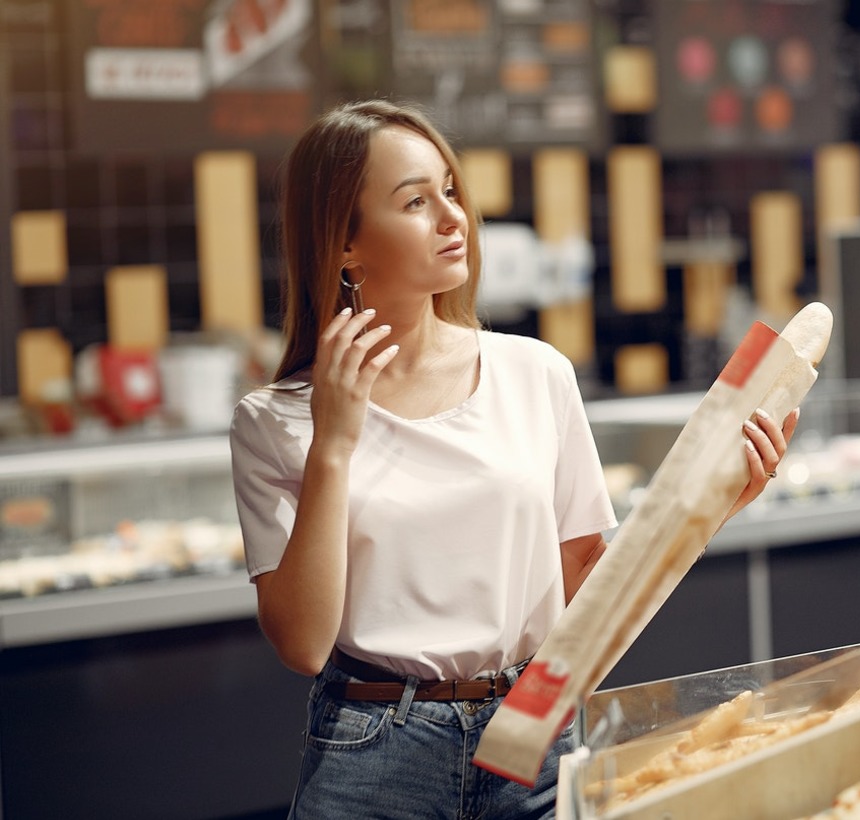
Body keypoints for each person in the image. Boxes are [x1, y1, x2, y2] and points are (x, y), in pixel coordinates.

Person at [228, 98, 799, 820]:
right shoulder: (273, 420)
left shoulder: (535, 372)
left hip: (537, 733)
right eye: (415, 201)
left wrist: (711, 503)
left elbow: (589, 581)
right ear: (345, 244)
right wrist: (335, 445)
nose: (452, 217)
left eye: (451, 191)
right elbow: (304, 644)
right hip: (372, 750)